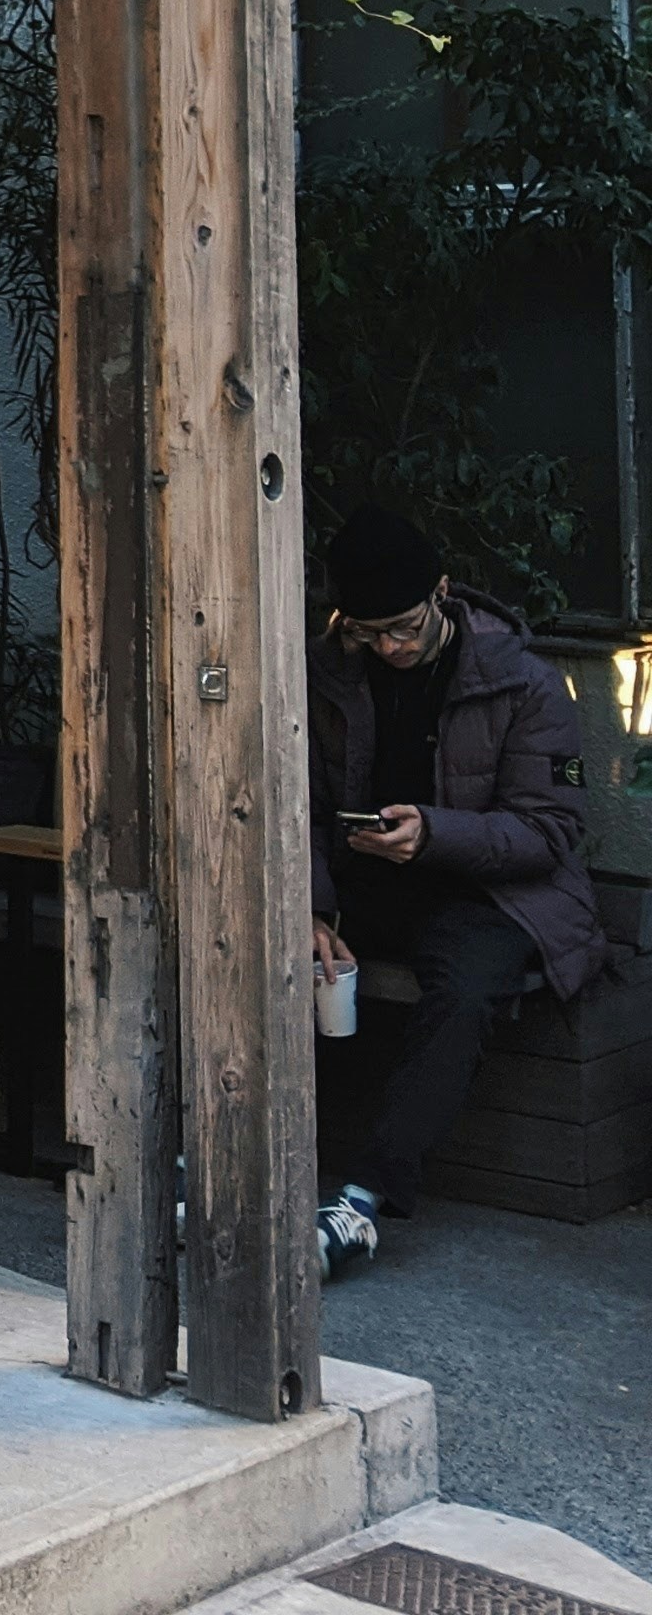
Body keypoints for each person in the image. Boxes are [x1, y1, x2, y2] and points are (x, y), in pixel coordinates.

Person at [305, 507, 603, 1280]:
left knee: (464, 992)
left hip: (498, 894)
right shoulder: (330, 669)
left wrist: (433, 834)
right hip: (366, 881)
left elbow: (552, 828)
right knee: (258, 949)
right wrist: (309, 906)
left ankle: (363, 1202)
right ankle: (206, 1159)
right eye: (368, 632)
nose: (390, 648)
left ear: (442, 594)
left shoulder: (525, 681)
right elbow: (289, 800)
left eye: (403, 627)